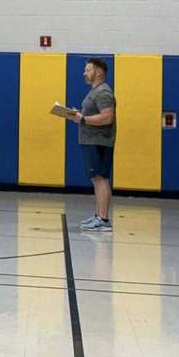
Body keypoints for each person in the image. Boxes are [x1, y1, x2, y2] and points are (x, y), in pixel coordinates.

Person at [70, 57, 116, 232]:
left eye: (88, 70)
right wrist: (78, 115)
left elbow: (107, 117)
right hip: (91, 141)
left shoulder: (103, 92)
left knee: (101, 178)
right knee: (96, 179)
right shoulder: (94, 91)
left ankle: (103, 219)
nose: (84, 73)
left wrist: (83, 118)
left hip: (99, 142)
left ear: (98, 72)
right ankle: (98, 216)